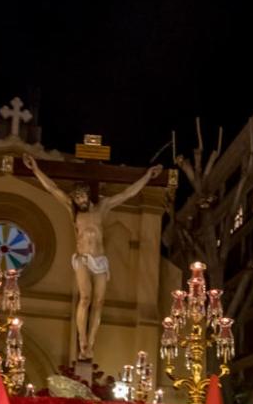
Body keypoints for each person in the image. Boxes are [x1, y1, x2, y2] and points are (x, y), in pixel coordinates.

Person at [22, 152, 163, 360]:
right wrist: (35, 169)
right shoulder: (73, 212)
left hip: (100, 260)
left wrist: (147, 176)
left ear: (88, 195)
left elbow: (127, 194)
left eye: (81, 197)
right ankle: (82, 340)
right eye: (76, 198)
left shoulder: (102, 208)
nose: (79, 200)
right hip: (82, 259)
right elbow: (52, 188)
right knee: (85, 298)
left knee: (99, 302)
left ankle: (91, 342)